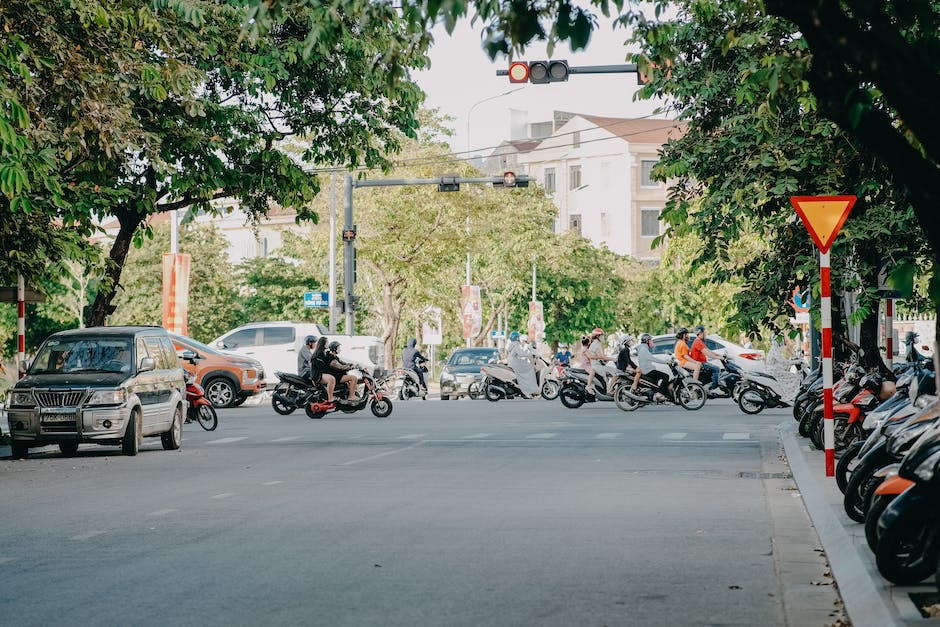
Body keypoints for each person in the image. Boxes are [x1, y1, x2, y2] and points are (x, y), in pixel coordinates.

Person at [635, 333, 672, 401]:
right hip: (648, 371)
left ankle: (658, 394)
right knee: (666, 376)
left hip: (647, 370)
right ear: (647, 341)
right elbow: (653, 359)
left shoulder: (643, 348)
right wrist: (666, 362)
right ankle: (659, 394)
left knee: (657, 382)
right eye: (651, 340)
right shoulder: (644, 349)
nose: (652, 342)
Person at [585, 328, 617, 398]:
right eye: (602, 335)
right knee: (616, 373)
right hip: (596, 366)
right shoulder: (596, 344)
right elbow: (602, 357)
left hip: (597, 365)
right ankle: (610, 390)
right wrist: (613, 359)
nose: (603, 337)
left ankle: (610, 388)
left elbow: (600, 357)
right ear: (597, 336)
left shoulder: (596, 343)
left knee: (612, 372)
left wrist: (608, 359)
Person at [506, 331, 539, 398]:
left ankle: (525, 391)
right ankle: (527, 391)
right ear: (517, 338)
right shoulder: (516, 344)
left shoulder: (512, 344)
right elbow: (521, 353)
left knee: (527, 366)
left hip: (512, 362)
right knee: (530, 369)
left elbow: (518, 354)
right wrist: (530, 354)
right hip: (516, 364)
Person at [689, 325, 722, 391]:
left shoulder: (699, 341)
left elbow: (708, 350)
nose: (706, 334)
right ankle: (714, 388)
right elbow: (707, 353)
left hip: (702, 362)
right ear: (700, 333)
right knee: (716, 369)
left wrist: (719, 355)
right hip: (701, 363)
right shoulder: (697, 342)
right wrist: (718, 358)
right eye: (705, 332)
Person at [311, 337, 337, 405]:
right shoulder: (319, 353)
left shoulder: (323, 352)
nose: (328, 344)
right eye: (327, 343)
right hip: (317, 374)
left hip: (320, 373)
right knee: (332, 379)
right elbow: (323, 366)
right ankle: (330, 398)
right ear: (323, 344)